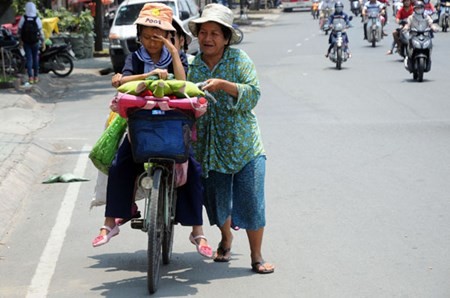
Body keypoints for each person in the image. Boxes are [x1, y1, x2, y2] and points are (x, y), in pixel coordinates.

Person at [93, 3, 212, 259]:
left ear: (168, 35)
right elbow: (121, 82)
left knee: (192, 167)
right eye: (146, 37)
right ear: (140, 36)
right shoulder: (134, 59)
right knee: (120, 163)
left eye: (157, 37)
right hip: (142, 125)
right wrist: (147, 78)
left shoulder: (178, 57)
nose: (151, 42)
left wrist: (173, 50)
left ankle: (197, 230)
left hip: (174, 126)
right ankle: (112, 221)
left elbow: (184, 83)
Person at [187, 3, 275, 274]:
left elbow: (254, 94)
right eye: (203, 32)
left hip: (245, 144)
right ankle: (226, 239)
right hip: (208, 147)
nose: (208, 38)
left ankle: (257, 256)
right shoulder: (194, 66)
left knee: (251, 200)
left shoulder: (239, 61)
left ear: (226, 38)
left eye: (215, 33)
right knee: (215, 201)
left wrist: (224, 85)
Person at [17, 1, 45, 84]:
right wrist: (43, 42)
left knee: (29, 59)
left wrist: (20, 41)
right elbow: (41, 32)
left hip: (26, 42)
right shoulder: (37, 19)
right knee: (35, 58)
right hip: (35, 42)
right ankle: (36, 76)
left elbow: (19, 30)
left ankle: (30, 78)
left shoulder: (23, 18)